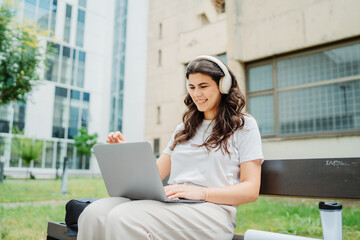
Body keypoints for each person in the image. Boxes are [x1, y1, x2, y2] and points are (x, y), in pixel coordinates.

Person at [77, 55, 264, 240]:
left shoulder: (243, 125)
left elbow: (250, 189)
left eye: (203, 86)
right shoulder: (184, 129)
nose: (196, 94)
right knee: (92, 214)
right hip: (174, 205)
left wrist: (200, 192)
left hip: (212, 212)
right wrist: (128, 153)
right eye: (192, 87)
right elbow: (154, 175)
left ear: (223, 86)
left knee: (123, 218)